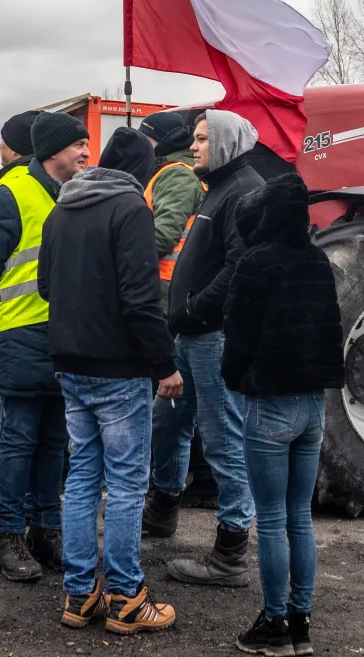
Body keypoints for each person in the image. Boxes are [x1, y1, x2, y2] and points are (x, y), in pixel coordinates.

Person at [41, 127, 182, 634]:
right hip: (119, 368)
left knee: (81, 478)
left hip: (70, 362)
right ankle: (126, 596)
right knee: (125, 485)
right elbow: (141, 300)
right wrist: (164, 364)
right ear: (140, 172)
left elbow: (44, 284)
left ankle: (80, 595)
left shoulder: (62, 210)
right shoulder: (130, 211)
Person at [221, 173, 344, 656]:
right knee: (299, 517)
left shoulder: (256, 262)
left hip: (269, 402)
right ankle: (301, 622)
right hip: (314, 404)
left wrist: (235, 379)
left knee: (270, 519)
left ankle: (274, 625)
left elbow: (238, 334)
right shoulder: (318, 261)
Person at [0, 111, 86, 582]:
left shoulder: (75, 193)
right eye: (78, 144)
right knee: (17, 441)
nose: (86, 152)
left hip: (67, 336)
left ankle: (46, 529)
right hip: (19, 334)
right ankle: (8, 536)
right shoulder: (10, 194)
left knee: (55, 441)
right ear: (53, 150)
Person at [149, 109, 264, 586]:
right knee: (169, 421)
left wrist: (195, 306)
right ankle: (163, 510)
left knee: (224, 441)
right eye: (194, 138)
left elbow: (240, 267)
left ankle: (231, 553)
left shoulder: (243, 190)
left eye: (201, 139)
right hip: (192, 334)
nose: (193, 146)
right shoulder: (217, 186)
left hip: (212, 335)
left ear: (227, 142)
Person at [136, 111, 204, 310]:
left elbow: (163, 236)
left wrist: (122, 259)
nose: (141, 146)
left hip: (166, 284)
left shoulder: (177, 174)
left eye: (145, 139)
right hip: (163, 280)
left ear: (163, 141)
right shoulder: (166, 170)